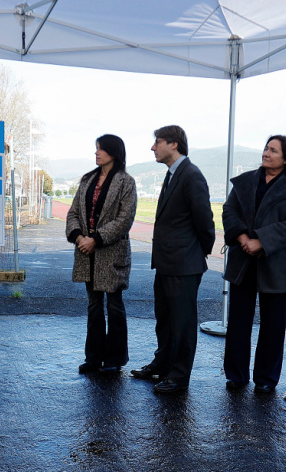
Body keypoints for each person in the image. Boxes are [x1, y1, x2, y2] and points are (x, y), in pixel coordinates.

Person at [223, 135, 286, 394]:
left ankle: (266, 378)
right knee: (239, 322)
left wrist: (261, 241)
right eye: (266, 148)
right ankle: (236, 375)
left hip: (277, 263)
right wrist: (243, 238)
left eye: (273, 150)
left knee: (273, 325)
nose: (266, 153)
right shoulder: (245, 181)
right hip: (243, 260)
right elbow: (229, 211)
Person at [131, 125, 215, 394]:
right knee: (165, 319)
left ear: (174, 145)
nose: (153, 148)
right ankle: (162, 365)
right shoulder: (173, 175)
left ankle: (178, 376)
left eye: (158, 142)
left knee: (182, 323)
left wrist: (198, 252)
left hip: (184, 263)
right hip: (168, 263)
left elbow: (205, 222)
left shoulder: (191, 176)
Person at [66, 134, 138, 375]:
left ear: (113, 153)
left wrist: (95, 239)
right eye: (96, 148)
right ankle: (94, 358)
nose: (96, 153)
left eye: (101, 149)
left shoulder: (126, 182)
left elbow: (124, 220)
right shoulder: (87, 180)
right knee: (94, 306)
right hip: (87, 254)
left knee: (115, 305)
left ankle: (115, 359)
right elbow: (73, 212)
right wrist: (79, 238)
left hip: (111, 253)